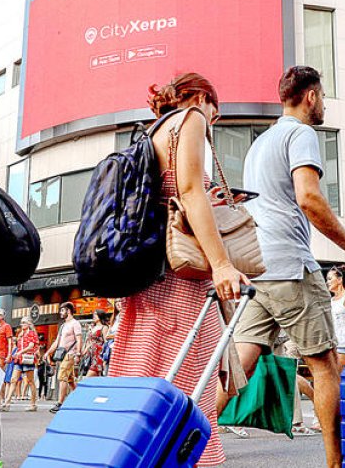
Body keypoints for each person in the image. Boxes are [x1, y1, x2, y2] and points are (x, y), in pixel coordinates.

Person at [228, 66, 345, 468]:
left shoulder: (260, 143)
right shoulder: (301, 134)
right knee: (325, 363)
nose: (325, 106)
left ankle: (184, 444)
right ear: (311, 97)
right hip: (289, 266)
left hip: (256, 266)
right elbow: (310, 199)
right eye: (323, 97)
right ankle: (337, 463)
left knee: (241, 364)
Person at [107, 73, 252, 467]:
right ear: (204, 97)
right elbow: (188, 192)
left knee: (144, 372)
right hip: (183, 278)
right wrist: (222, 263)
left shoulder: (153, 132)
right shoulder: (191, 119)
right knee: (189, 383)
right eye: (215, 111)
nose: (214, 120)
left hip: (151, 276)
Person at [45, 303, 82, 412]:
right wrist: (48, 352)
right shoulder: (63, 325)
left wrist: (78, 354)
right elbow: (57, 342)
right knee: (70, 380)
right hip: (62, 355)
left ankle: (60, 403)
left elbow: (79, 339)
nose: (60, 313)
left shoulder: (75, 323)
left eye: (62, 311)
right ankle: (79, 399)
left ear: (68, 311)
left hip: (70, 354)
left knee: (62, 377)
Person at [3, 316, 40, 411]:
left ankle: (33, 404)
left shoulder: (31, 333)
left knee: (30, 381)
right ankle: (7, 403)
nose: (22, 324)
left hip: (27, 358)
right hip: (19, 359)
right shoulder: (21, 334)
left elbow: (31, 345)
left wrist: (20, 352)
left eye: (24, 322)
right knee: (13, 379)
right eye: (21, 322)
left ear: (29, 324)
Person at [84, 310, 108, 378]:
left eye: (95, 315)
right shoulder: (92, 328)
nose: (94, 316)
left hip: (98, 356)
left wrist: (105, 359)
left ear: (100, 316)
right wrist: (84, 352)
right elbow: (89, 342)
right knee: (96, 379)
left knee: (87, 379)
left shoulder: (104, 327)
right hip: (91, 356)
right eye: (93, 315)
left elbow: (106, 343)